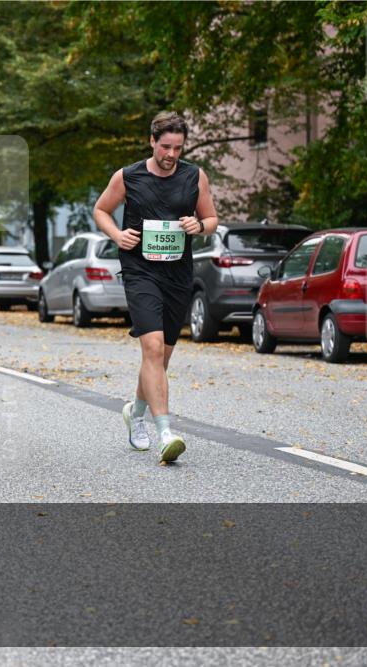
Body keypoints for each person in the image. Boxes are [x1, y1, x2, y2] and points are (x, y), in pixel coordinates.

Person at [92, 111, 218, 464]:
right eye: (166, 146)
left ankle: (135, 413)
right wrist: (117, 234)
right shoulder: (128, 176)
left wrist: (199, 225)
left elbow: (211, 219)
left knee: (160, 357)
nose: (172, 154)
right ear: (152, 141)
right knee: (150, 346)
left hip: (177, 274)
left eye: (178, 147)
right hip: (140, 271)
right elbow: (101, 209)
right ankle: (165, 432)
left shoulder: (195, 176)